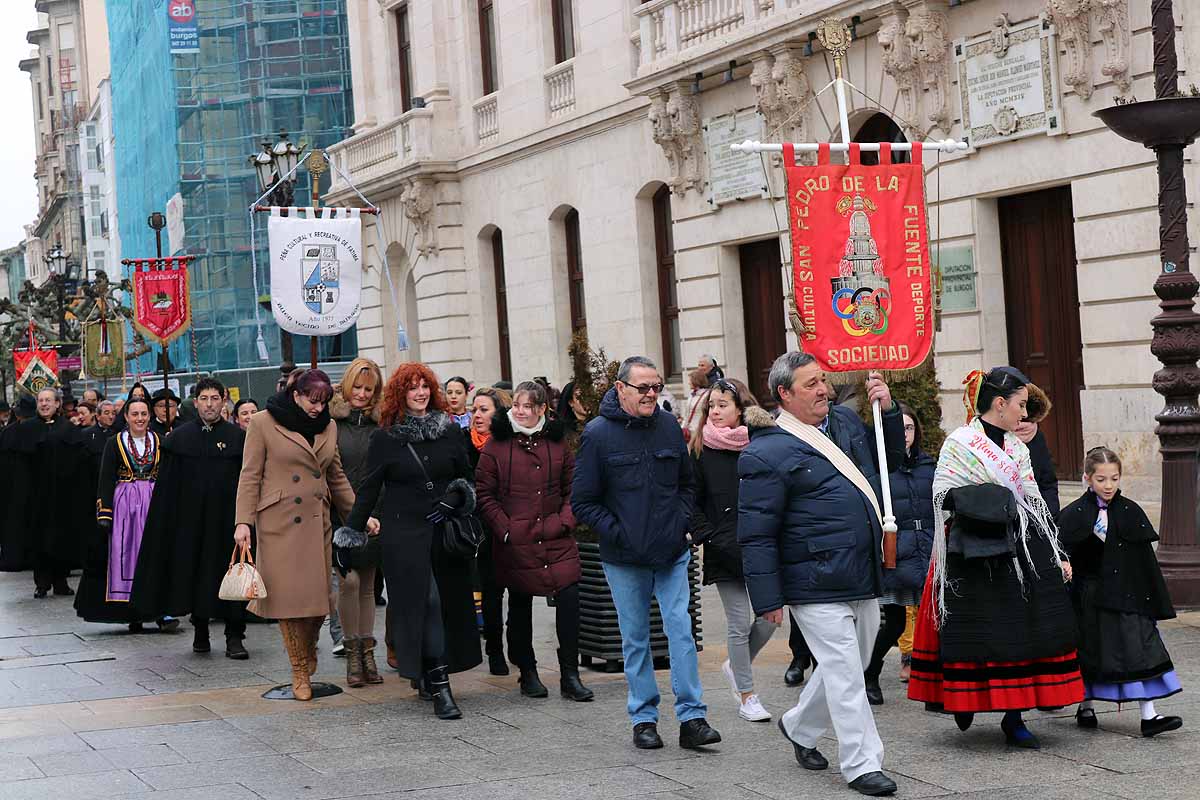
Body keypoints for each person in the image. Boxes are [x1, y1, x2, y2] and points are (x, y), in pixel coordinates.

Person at [737, 352, 902, 797]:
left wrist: (887, 411)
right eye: (810, 384)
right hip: (812, 581)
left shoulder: (844, 427)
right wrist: (767, 599)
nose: (823, 390)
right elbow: (755, 533)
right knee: (847, 675)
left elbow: (890, 455)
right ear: (784, 395)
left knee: (849, 665)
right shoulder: (765, 451)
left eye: (823, 381)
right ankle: (863, 763)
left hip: (860, 572)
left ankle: (800, 725)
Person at [908, 367, 1083, 750]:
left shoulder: (1018, 447)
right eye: (1020, 405)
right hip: (970, 547)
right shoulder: (960, 441)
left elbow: (1032, 497)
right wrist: (985, 500)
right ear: (999, 404)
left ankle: (1014, 715)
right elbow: (941, 494)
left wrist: (1053, 550)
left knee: (1017, 630)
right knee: (973, 628)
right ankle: (964, 697)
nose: (1024, 414)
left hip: (1016, 542)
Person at [573, 355, 720, 751]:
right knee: (635, 638)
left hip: (672, 550)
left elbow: (688, 485)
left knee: (680, 631)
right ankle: (644, 719)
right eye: (644, 387)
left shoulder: (670, 427)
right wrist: (618, 533)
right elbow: (583, 502)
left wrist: (681, 523)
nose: (652, 394)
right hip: (623, 557)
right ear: (621, 388)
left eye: (657, 386)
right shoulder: (597, 434)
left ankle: (693, 718)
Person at [338, 362, 482, 720]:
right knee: (427, 603)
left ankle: (427, 672)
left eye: (423, 387)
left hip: (442, 532)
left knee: (444, 605)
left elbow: (467, 478)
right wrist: (349, 536)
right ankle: (441, 686)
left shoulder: (449, 431)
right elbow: (370, 488)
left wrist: (455, 496)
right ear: (399, 396)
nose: (419, 393)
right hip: (403, 534)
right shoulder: (385, 438)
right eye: (411, 388)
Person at [233, 369, 358, 701]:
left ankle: (310, 645)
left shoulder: (329, 426)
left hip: (318, 524)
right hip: (279, 524)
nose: (318, 409)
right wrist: (242, 522)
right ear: (296, 395)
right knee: (288, 603)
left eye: (324, 402)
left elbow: (336, 475)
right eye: (312, 401)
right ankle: (299, 669)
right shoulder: (263, 422)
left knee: (318, 603)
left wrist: (359, 516)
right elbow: (250, 475)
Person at [476, 380, 593, 702]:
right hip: (516, 540)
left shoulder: (558, 446)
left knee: (570, 600)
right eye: (517, 405)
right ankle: (527, 671)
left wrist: (565, 521)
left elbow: (575, 490)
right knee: (520, 604)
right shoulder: (496, 446)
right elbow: (484, 494)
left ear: (543, 409)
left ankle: (570, 674)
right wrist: (506, 528)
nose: (521, 412)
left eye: (529, 406)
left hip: (556, 537)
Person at [1059, 447, 1182, 737]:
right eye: (1101, 479)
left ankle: (1149, 715)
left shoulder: (1130, 511)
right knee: (1089, 649)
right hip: (1089, 595)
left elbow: (1144, 561)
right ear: (1088, 478)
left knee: (1139, 646)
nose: (1109, 485)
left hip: (1128, 594)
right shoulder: (1075, 513)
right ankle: (1086, 705)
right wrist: (1065, 564)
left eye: (1114, 478)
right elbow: (1061, 548)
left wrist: (1151, 599)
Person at [132, 378, 250, 659]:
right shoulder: (178, 440)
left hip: (228, 523)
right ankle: (200, 630)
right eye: (204, 399)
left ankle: (235, 635)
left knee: (232, 574)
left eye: (214, 398)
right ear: (195, 402)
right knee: (196, 575)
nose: (209, 404)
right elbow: (167, 489)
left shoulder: (239, 439)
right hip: (190, 523)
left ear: (224, 401)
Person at [689, 377, 777, 723]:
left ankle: (734, 663)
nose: (716, 411)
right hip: (723, 548)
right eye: (711, 405)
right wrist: (708, 535)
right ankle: (747, 695)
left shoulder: (761, 443)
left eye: (723, 404)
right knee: (739, 623)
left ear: (741, 407)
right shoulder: (699, 449)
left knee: (770, 619)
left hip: (761, 545)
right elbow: (690, 500)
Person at [75, 396, 177, 632]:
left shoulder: (161, 442)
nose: (139, 419)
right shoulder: (114, 442)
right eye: (135, 414)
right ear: (127, 417)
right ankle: (132, 611)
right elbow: (106, 477)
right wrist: (105, 512)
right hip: (125, 508)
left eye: (143, 414)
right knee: (127, 556)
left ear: (149, 416)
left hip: (153, 502)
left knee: (157, 554)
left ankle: (162, 610)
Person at [863, 403, 936, 706]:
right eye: (899, 428)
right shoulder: (879, 468)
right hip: (898, 550)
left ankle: (934, 683)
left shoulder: (928, 465)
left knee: (934, 621)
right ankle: (870, 673)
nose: (904, 435)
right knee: (892, 622)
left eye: (909, 428)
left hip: (928, 547)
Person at [329, 358, 386, 687]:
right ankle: (352, 652)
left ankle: (367, 651)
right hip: (342, 516)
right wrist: (352, 515)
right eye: (358, 387)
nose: (362, 394)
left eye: (369, 389)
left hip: (376, 515)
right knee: (348, 583)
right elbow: (331, 474)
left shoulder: (381, 426)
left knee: (368, 586)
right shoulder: (333, 424)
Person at [15, 389, 92, 598]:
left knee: (62, 538)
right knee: (39, 539)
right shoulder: (27, 428)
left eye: (48, 400)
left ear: (58, 404)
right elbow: (21, 464)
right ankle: (42, 583)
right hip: (37, 495)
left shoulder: (67, 428)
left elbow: (79, 459)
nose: (44, 404)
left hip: (63, 494)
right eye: (41, 400)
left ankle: (60, 581)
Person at [465, 385, 511, 674]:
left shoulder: (511, 443)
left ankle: (519, 649)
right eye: (474, 409)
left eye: (484, 410)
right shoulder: (463, 442)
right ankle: (494, 651)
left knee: (518, 593)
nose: (477, 415)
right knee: (490, 592)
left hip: (511, 526)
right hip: (480, 530)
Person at [0, 396, 37, 572]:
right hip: (29, 486)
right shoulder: (38, 430)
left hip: (12, 488)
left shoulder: (8, 432)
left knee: (13, 524)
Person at [556, 381, 590, 453]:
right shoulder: (562, 432)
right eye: (579, 397)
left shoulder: (598, 424)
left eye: (588, 396)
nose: (585, 401)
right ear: (571, 402)